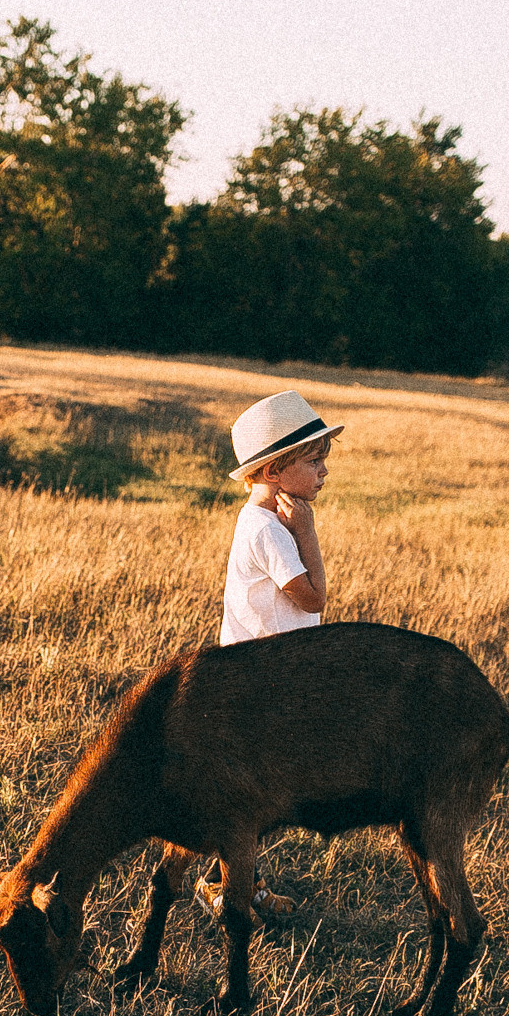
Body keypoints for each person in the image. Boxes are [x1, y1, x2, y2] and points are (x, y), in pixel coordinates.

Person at [199, 389, 343, 920]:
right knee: (266, 793)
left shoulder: (258, 519)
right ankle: (231, 886)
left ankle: (230, 881)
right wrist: (309, 532)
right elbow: (313, 597)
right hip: (263, 682)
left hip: (261, 674)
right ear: (274, 471)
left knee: (258, 792)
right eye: (313, 460)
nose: (324, 471)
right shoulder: (272, 531)